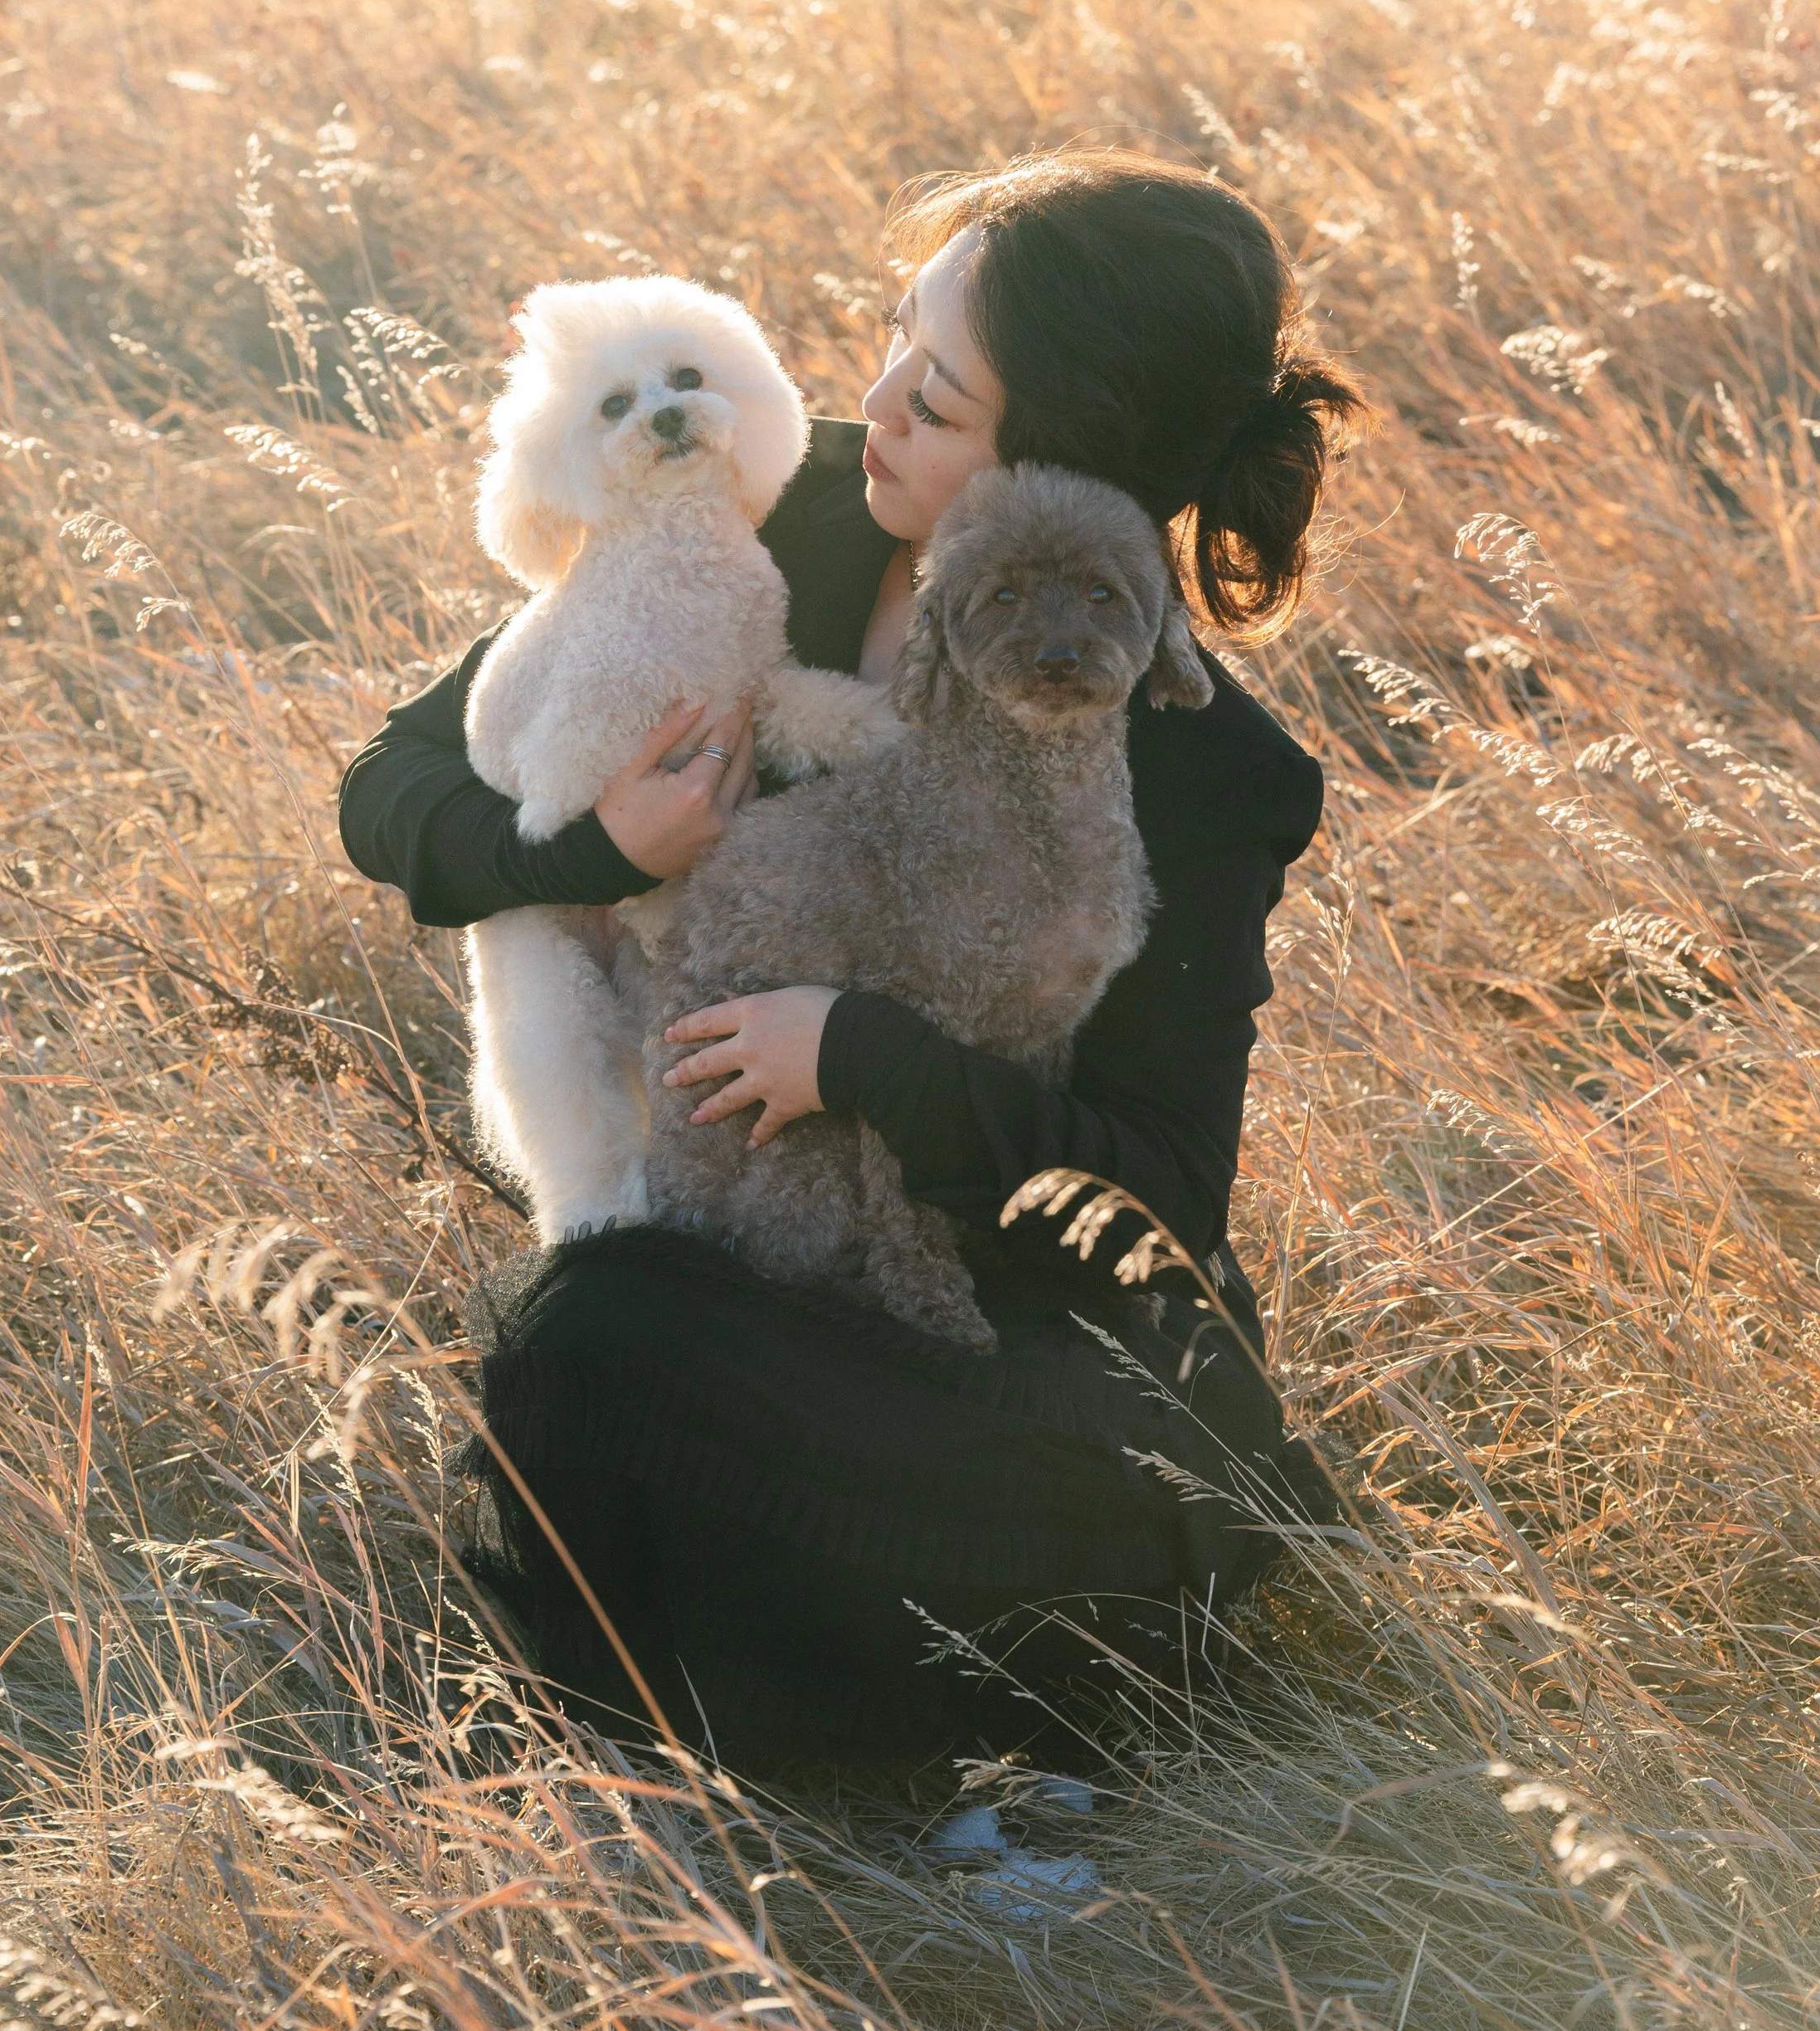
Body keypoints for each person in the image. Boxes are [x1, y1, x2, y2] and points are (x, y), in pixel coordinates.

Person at [338, 153, 1365, 1768]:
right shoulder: (773, 507)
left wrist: (858, 1058)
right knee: (576, 1339)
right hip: (760, 1255)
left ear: (1056, 465)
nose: (874, 403)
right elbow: (393, 787)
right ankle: (715, 1761)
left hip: (1015, 1366)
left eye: (939, 402)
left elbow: (1156, 1207)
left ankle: (999, 1741)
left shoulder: (1195, 764)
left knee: (603, 1354)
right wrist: (607, 847)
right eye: (896, 339)